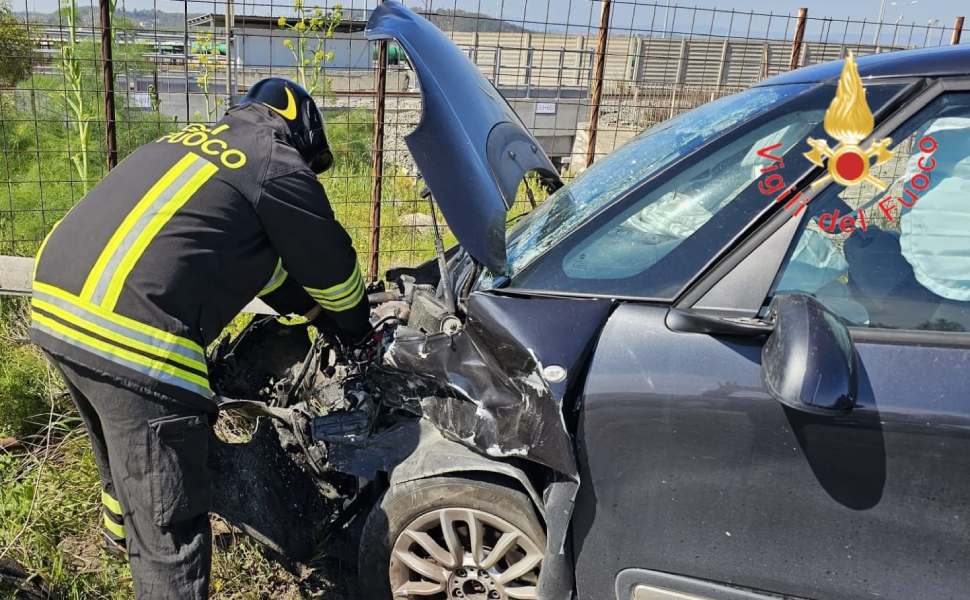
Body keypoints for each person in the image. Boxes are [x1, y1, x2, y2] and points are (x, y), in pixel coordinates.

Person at [29, 78, 371, 599]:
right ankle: (155, 568)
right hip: (133, 336)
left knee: (121, 448)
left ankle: (117, 543)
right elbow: (335, 273)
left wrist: (307, 314)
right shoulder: (275, 161)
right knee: (173, 526)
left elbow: (263, 271)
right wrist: (355, 328)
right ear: (300, 128)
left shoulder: (187, 143)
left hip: (56, 309)